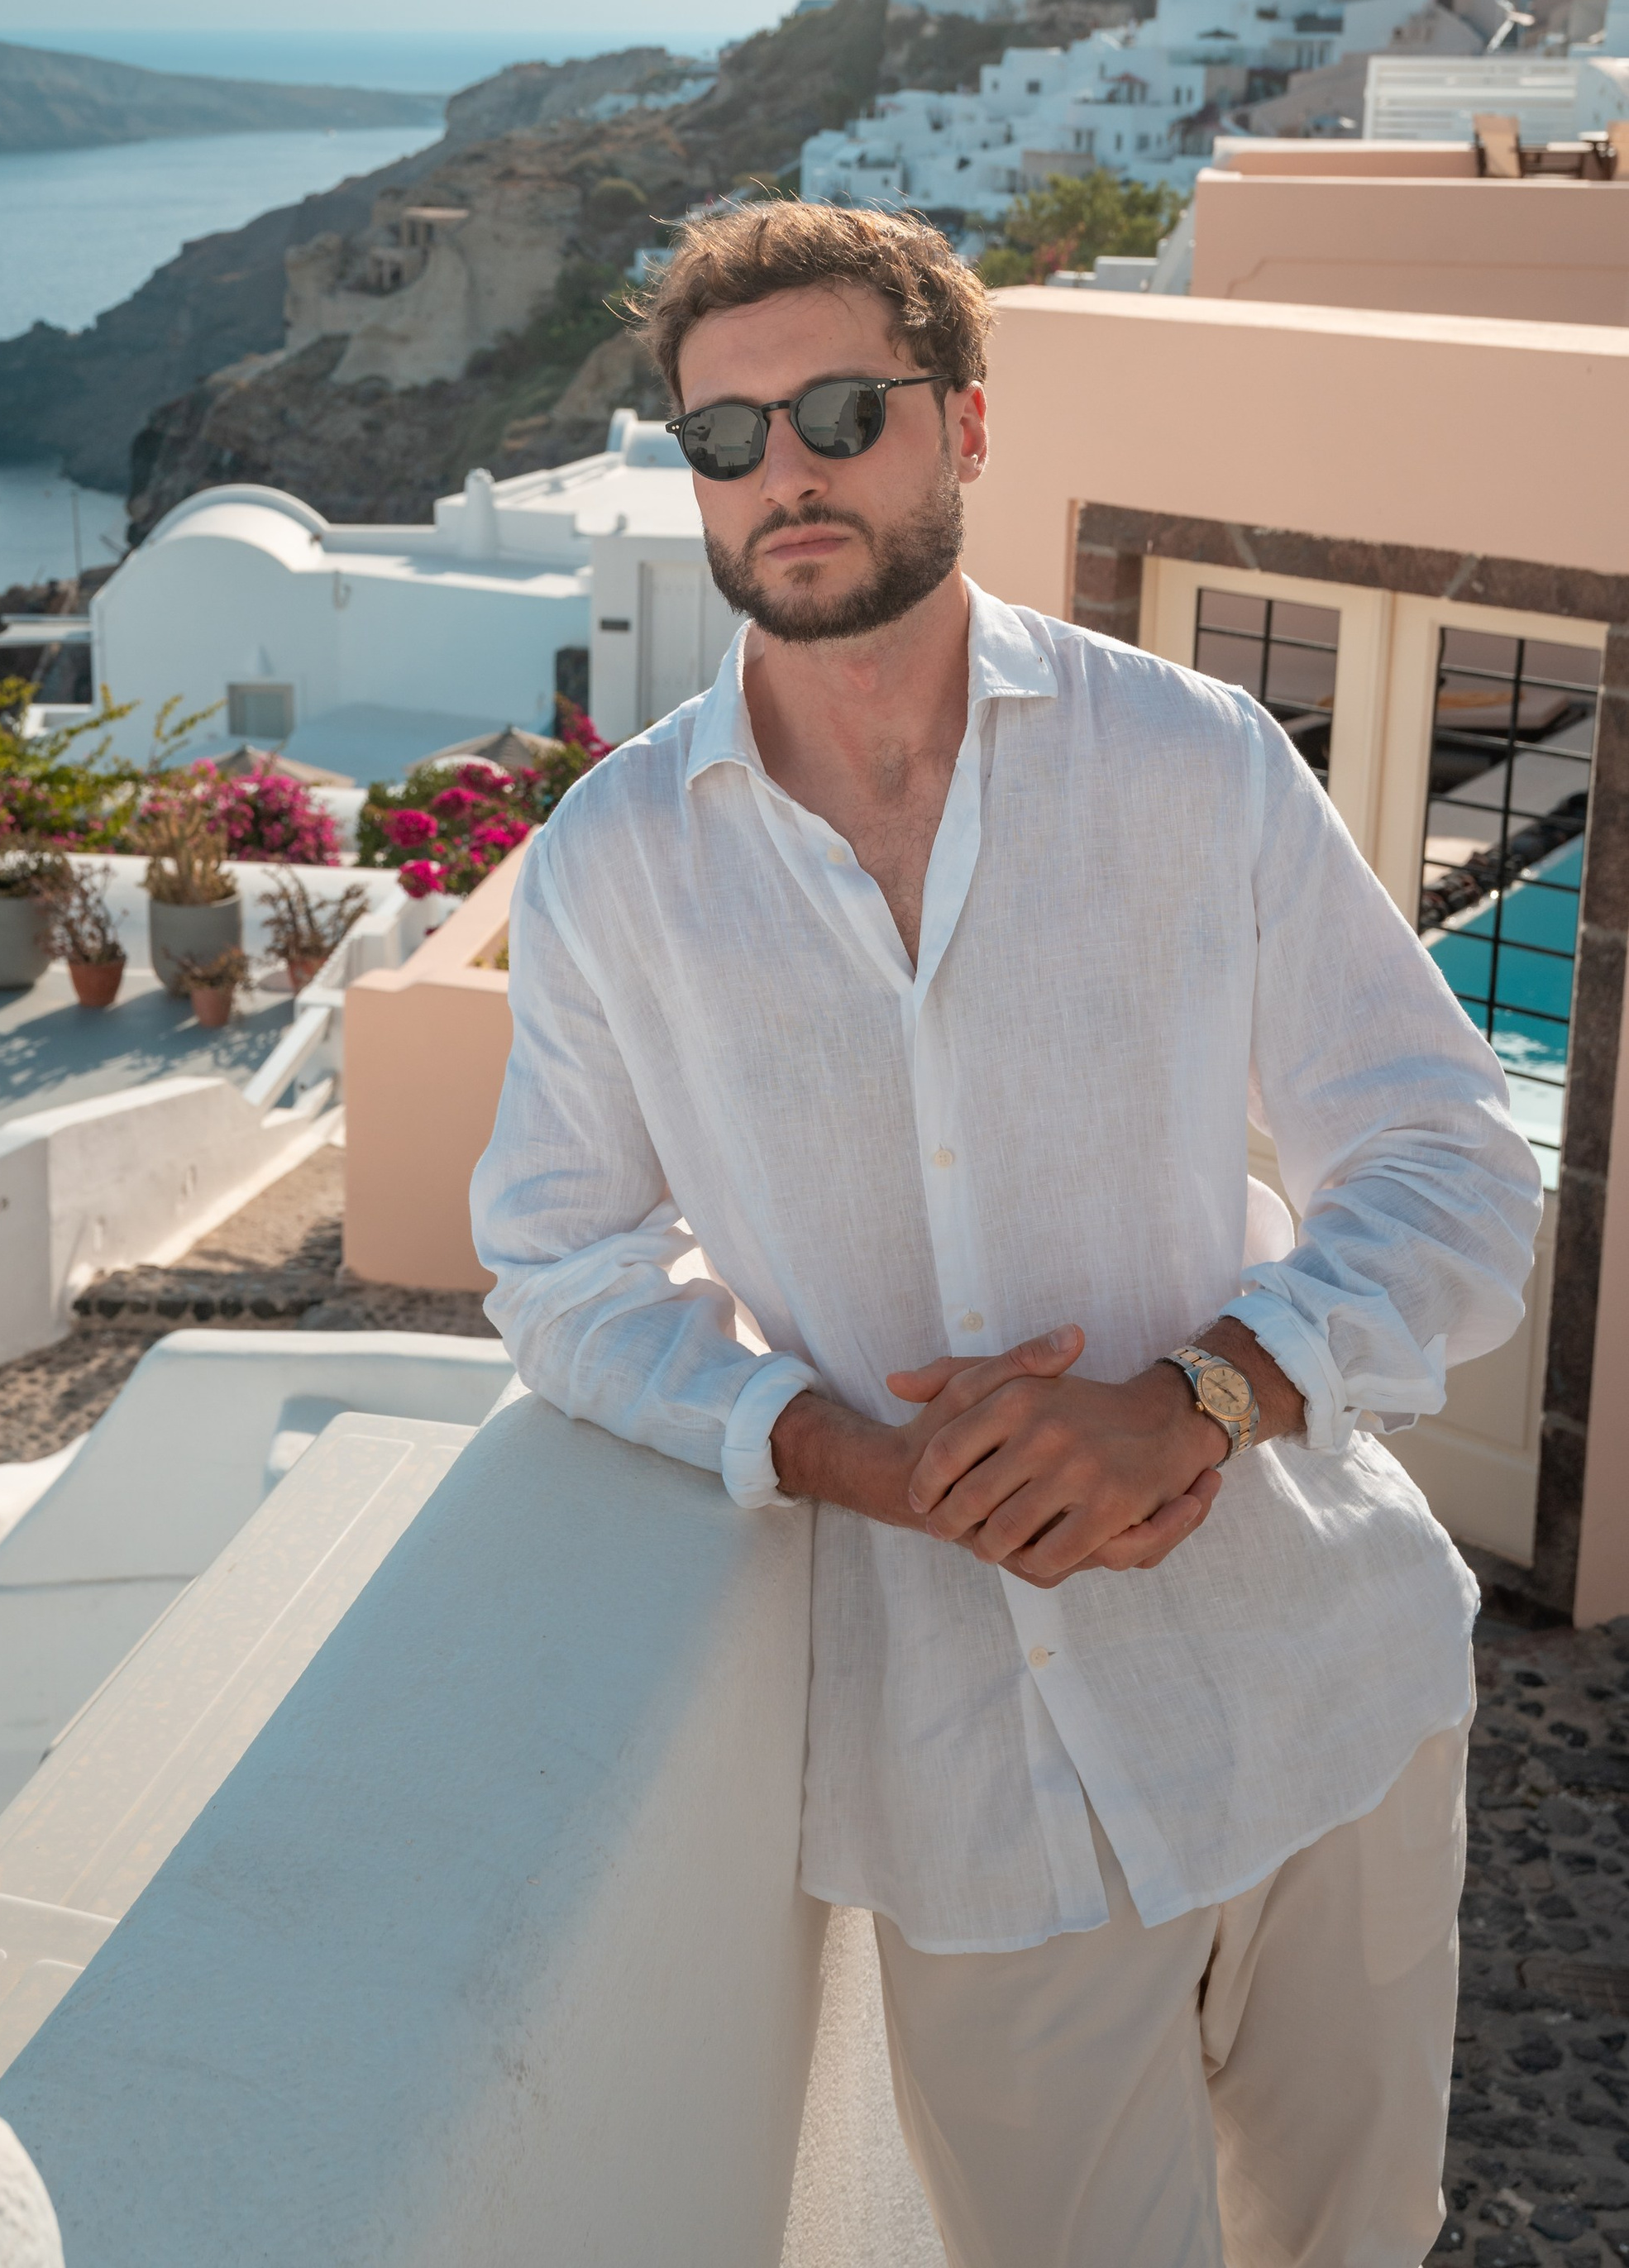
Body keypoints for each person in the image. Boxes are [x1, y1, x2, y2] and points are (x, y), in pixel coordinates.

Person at [471, 199, 1540, 2268]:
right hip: (968, 1790)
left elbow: (1439, 1155)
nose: (782, 469)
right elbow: (563, 1274)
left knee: (1358, 2245)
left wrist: (1200, 1402)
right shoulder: (613, 869)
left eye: (839, 410)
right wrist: (853, 1459)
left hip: (1318, 1681)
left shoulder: (1187, 760)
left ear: (961, 426)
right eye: (723, 436)